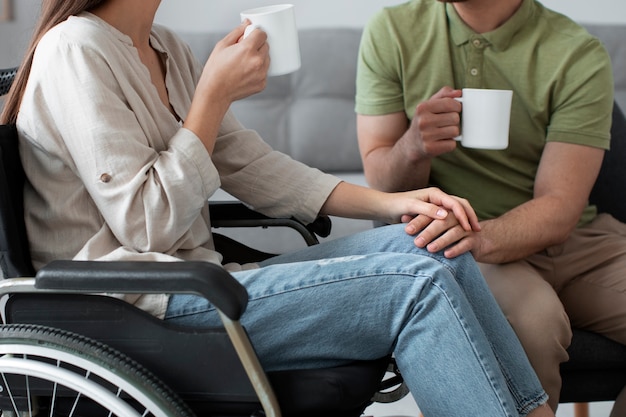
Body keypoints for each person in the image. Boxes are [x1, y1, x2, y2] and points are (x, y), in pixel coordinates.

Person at [0, 1, 557, 416]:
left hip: (202, 283)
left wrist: (395, 203)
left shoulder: (166, 47)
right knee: (418, 283)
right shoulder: (73, 49)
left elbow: (251, 165)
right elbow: (146, 223)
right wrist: (215, 96)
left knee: (433, 242)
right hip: (136, 301)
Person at [355, 0, 626, 413]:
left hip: (571, 240)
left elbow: (559, 205)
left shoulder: (574, 51)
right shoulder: (393, 30)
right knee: (532, 324)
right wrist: (413, 147)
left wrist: (480, 237)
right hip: (460, 240)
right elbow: (382, 185)